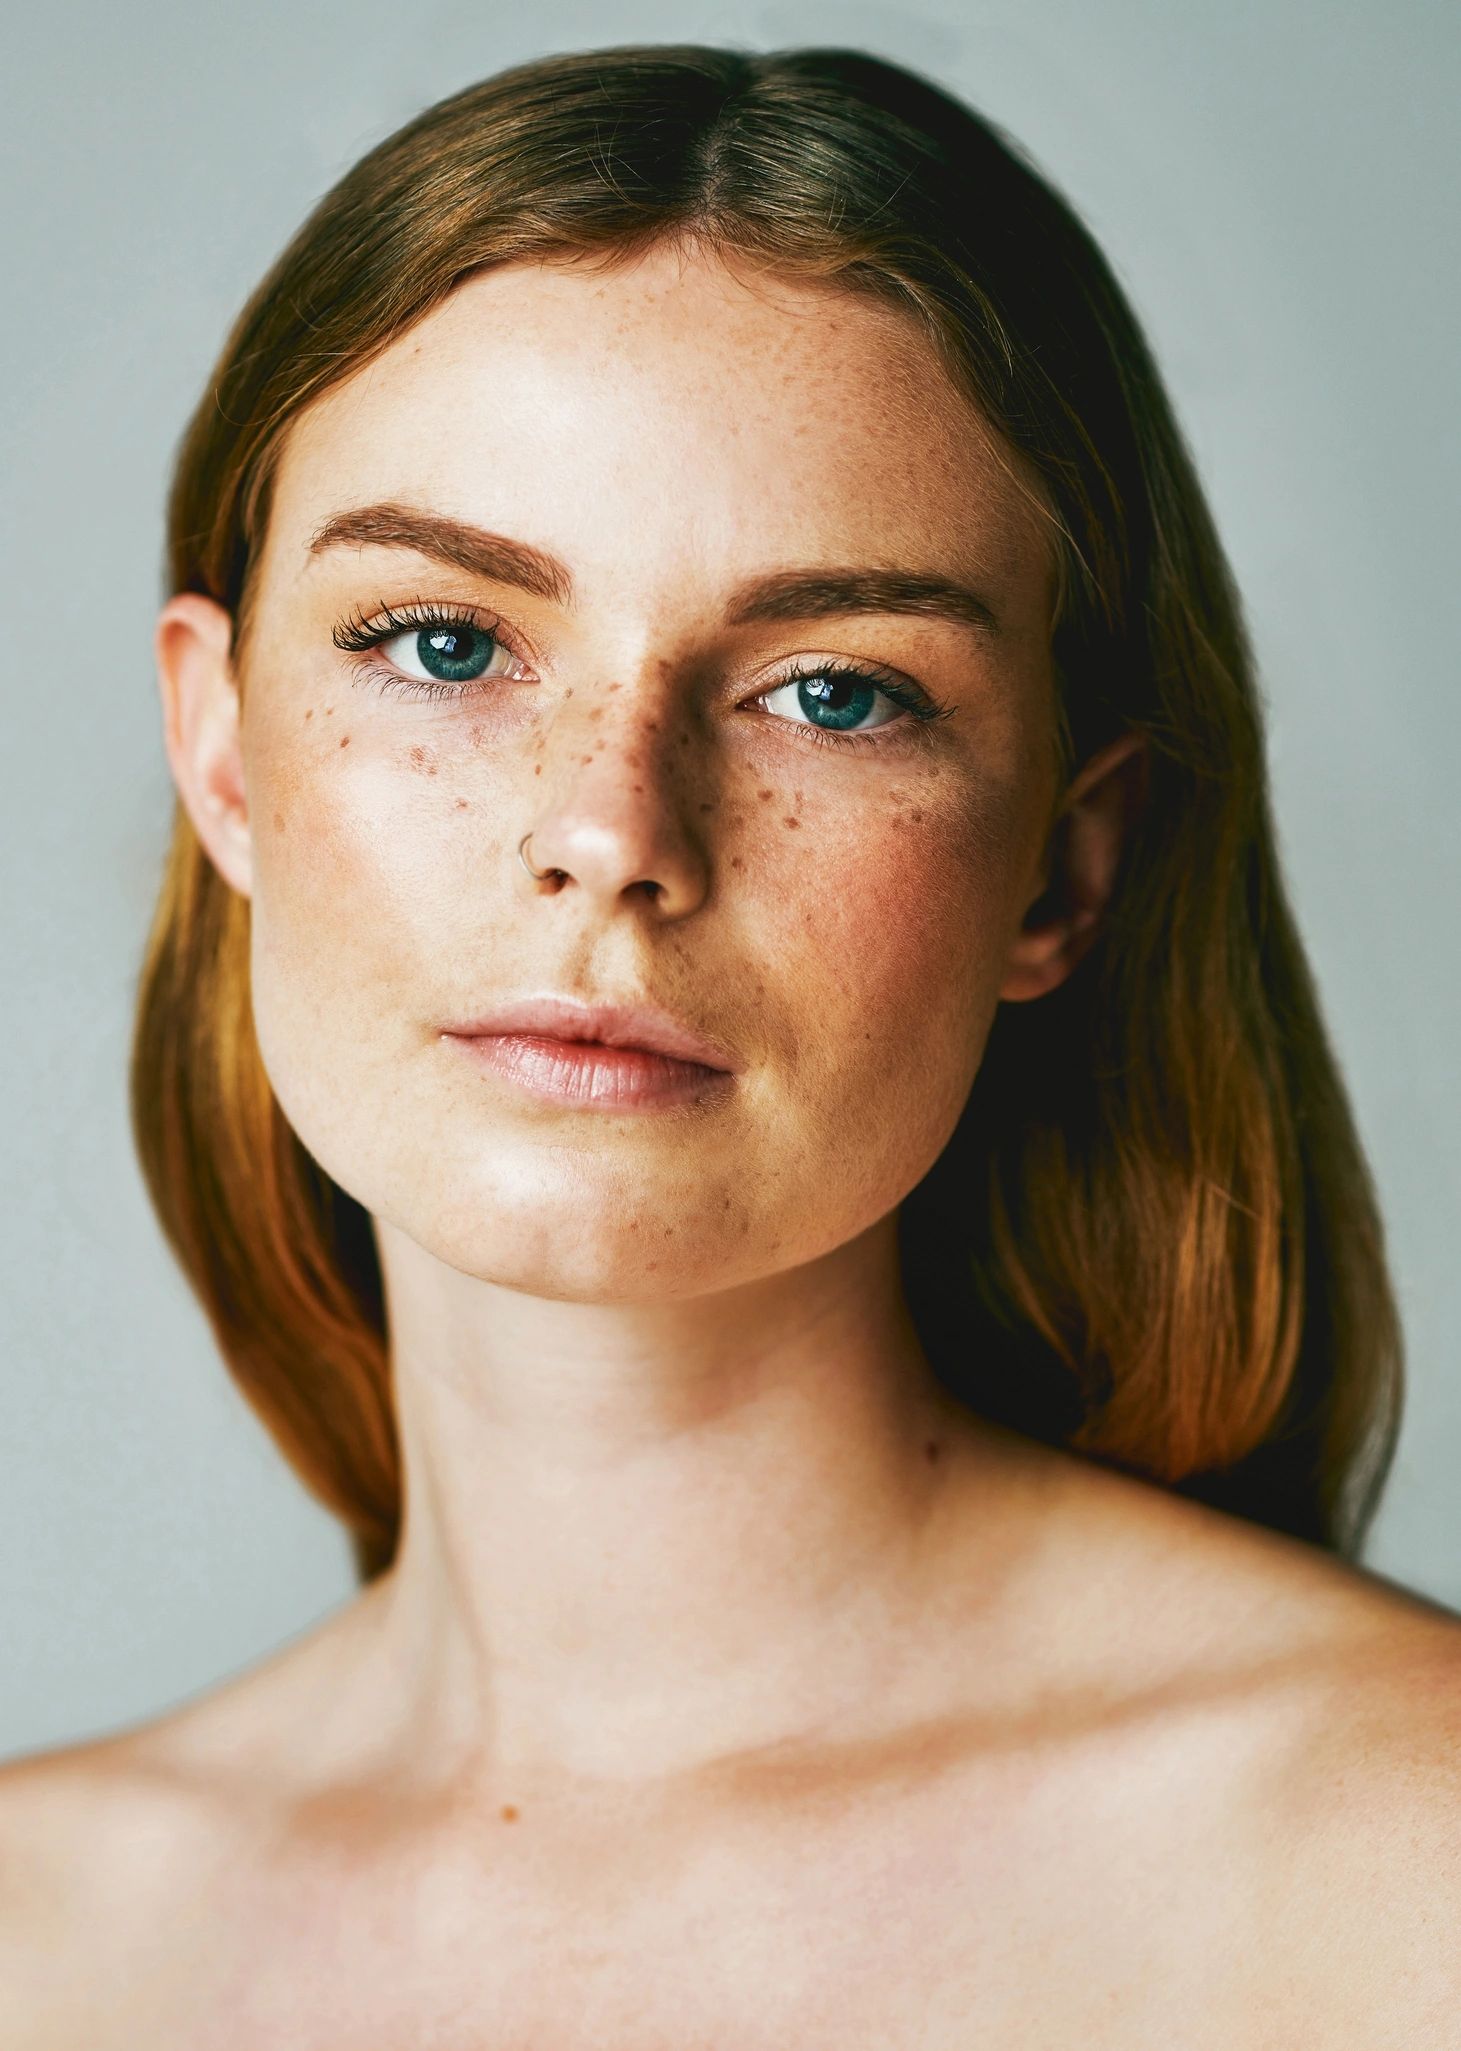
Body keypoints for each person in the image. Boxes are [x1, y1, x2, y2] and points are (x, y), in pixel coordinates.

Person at [3, 40, 1457, 2045]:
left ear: (1058, 863)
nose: (609, 831)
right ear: (222, 749)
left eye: (835, 693)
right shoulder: (38, 1939)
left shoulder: (1407, 1869)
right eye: (444, 644)